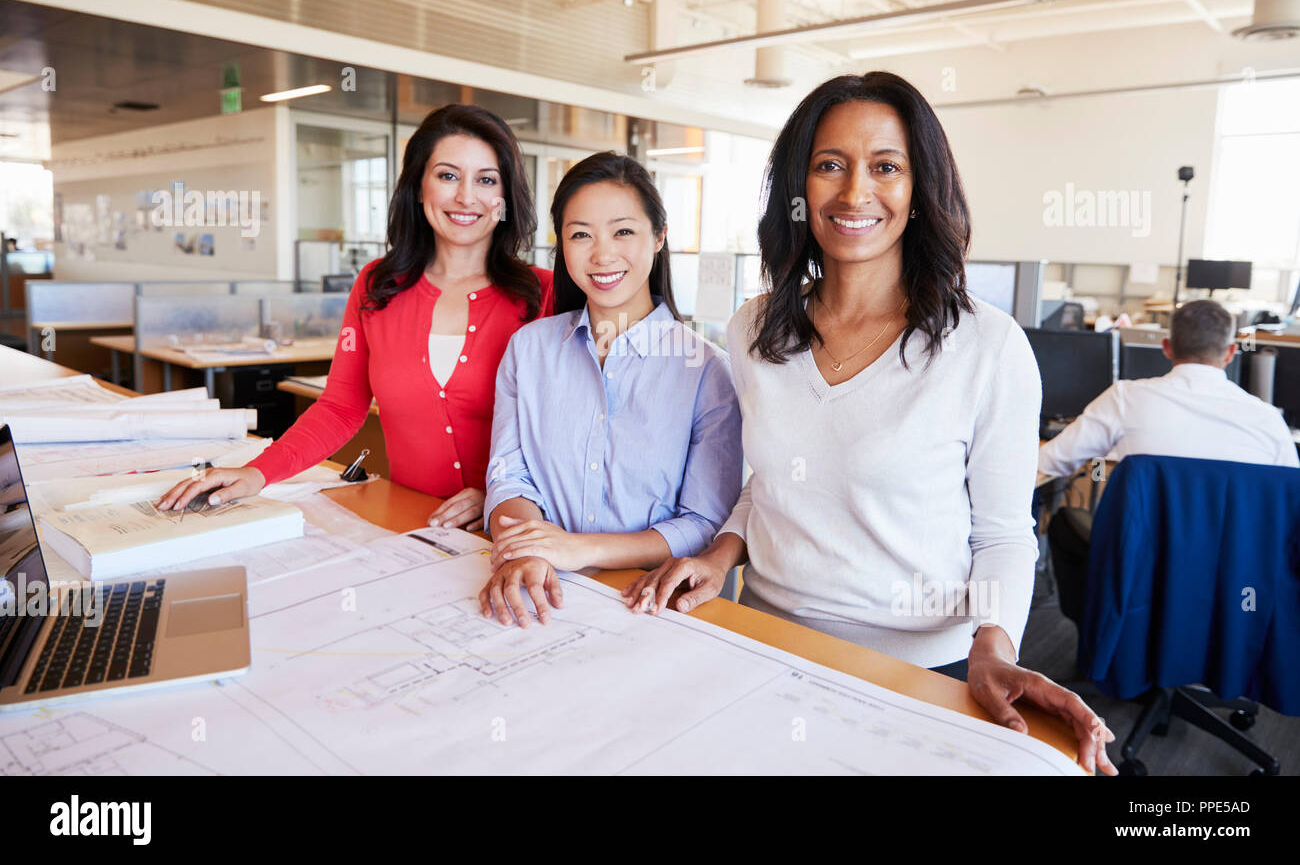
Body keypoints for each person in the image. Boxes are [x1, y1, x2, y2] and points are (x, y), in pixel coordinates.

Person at [622, 72, 1117, 774]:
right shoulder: (753, 328)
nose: (855, 193)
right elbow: (763, 482)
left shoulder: (986, 345)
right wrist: (719, 554)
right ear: (800, 189)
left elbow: (1002, 533)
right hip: (762, 639)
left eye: (886, 167)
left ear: (920, 191)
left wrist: (993, 647)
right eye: (830, 166)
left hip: (923, 666)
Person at [157, 104, 553, 530]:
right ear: (418, 187)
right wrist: (258, 472)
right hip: (412, 528)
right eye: (447, 175)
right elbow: (341, 407)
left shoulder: (544, 294)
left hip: (515, 533)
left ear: (505, 196)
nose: (465, 197)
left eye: (486, 180)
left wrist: (505, 493)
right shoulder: (378, 286)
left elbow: (574, 429)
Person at [477, 151, 743, 628]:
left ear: (659, 237)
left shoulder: (707, 370)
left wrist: (575, 549)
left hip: (645, 607)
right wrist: (528, 551)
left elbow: (703, 522)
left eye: (623, 231)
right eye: (581, 234)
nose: (602, 254)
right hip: (542, 594)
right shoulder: (529, 349)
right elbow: (509, 476)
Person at [1038, 299, 1299, 476]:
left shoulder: (1124, 399)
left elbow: (1050, 462)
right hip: (1237, 556)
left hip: (1142, 556)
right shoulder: (1268, 420)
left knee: (1064, 524)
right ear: (1231, 353)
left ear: (1166, 347)